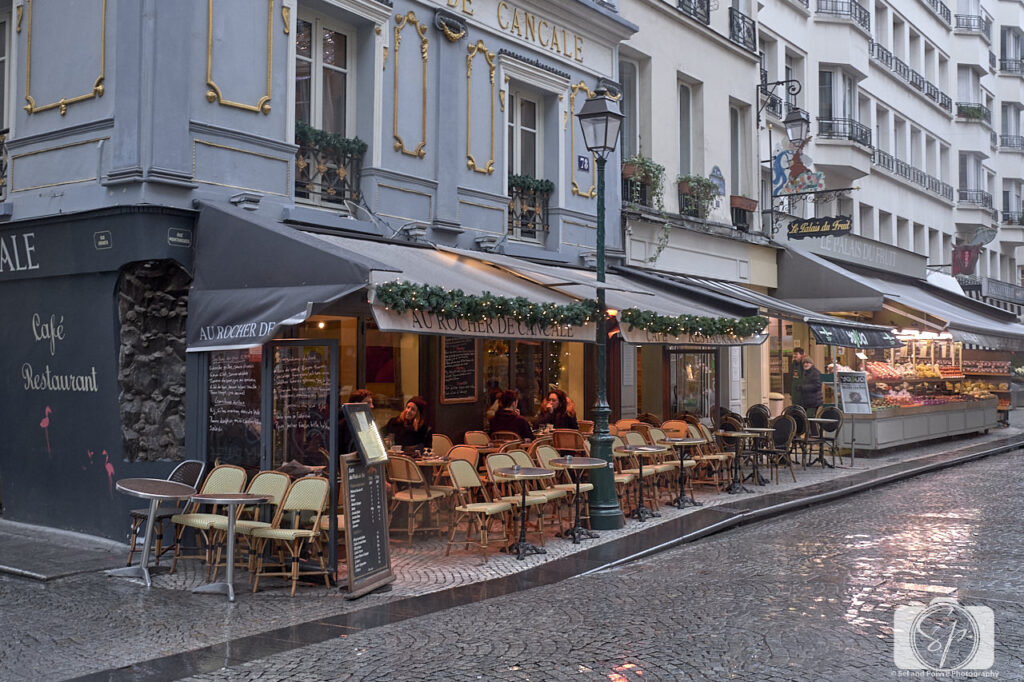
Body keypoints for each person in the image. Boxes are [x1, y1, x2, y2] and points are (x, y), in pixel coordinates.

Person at [338, 389, 374, 454]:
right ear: (356, 404)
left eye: (371, 403)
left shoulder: (367, 422)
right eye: (368, 403)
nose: (372, 406)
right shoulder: (346, 424)